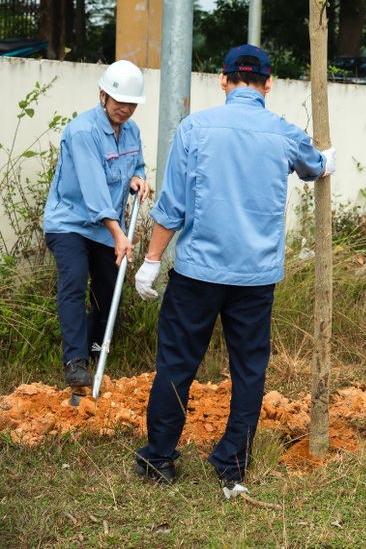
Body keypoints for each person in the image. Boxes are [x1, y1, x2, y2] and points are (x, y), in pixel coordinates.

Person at [132, 45, 335, 487]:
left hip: (196, 274)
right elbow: (315, 166)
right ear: (267, 84)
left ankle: (159, 460)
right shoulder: (283, 133)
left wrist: (150, 261)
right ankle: (231, 463)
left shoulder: (194, 129)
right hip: (255, 279)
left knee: (177, 364)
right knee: (248, 370)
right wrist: (325, 162)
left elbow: (171, 208)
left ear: (222, 80)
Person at [43, 60, 152, 388]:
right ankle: (74, 361)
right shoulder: (83, 131)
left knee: (109, 290)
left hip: (106, 229)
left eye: (132, 103)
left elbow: (140, 165)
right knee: (75, 282)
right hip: (70, 223)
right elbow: (93, 190)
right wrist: (118, 232)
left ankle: (92, 348)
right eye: (120, 102)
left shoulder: (131, 130)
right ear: (103, 95)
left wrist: (139, 177)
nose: (126, 109)